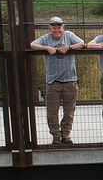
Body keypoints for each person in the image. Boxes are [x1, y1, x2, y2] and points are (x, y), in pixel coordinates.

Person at [29, 16, 84, 145]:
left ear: (63, 27)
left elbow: (82, 43)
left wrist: (68, 47)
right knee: (52, 111)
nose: (56, 29)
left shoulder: (69, 35)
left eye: (59, 27)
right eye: (54, 27)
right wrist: (47, 48)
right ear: (50, 28)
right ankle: (55, 136)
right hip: (53, 82)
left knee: (69, 111)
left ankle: (66, 134)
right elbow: (32, 45)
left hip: (70, 80)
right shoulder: (46, 38)